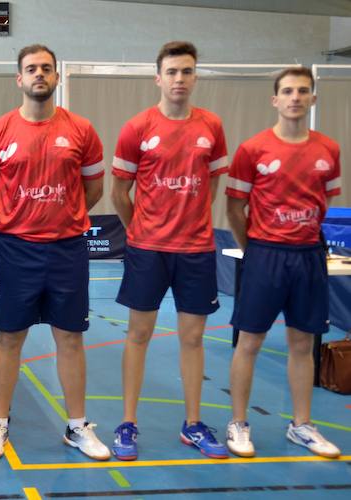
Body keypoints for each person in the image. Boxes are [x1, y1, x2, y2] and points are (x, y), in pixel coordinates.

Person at [0, 44, 109, 461]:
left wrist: (64, 218)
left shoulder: (82, 130)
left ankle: (76, 426)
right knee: (10, 337)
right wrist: (18, 217)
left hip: (67, 250)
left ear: (57, 77)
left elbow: (94, 188)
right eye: (31, 69)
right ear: (19, 78)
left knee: (70, 338)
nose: (39, 75)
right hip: (16, 250)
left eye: (46, 69)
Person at [110, 41, 229, 460]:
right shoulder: (137, 127)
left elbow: (212, 184)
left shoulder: (211, 126)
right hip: (148, 250)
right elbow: (118, 192)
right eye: (173, 71)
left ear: (195, 77)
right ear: (158, 77)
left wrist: (191, 218)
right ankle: (128, 423)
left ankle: (193, 424)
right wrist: (139, 229)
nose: (180, 79)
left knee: (192, 339)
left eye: (187, 71)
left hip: (196, 250)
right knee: (138, 335)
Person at [225, 67, 342, 459]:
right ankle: (239, 422)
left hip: (308, 256)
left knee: (302, 342)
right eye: (288, 91)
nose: (295, 97)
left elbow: (325, 200)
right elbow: (234, 206)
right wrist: (256, 247)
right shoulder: (253, 149)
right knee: (249, 341)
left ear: (312, 99)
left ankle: (302, 425)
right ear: (275, 100)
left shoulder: (329, 150)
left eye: (303, 91)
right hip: (265, 256)